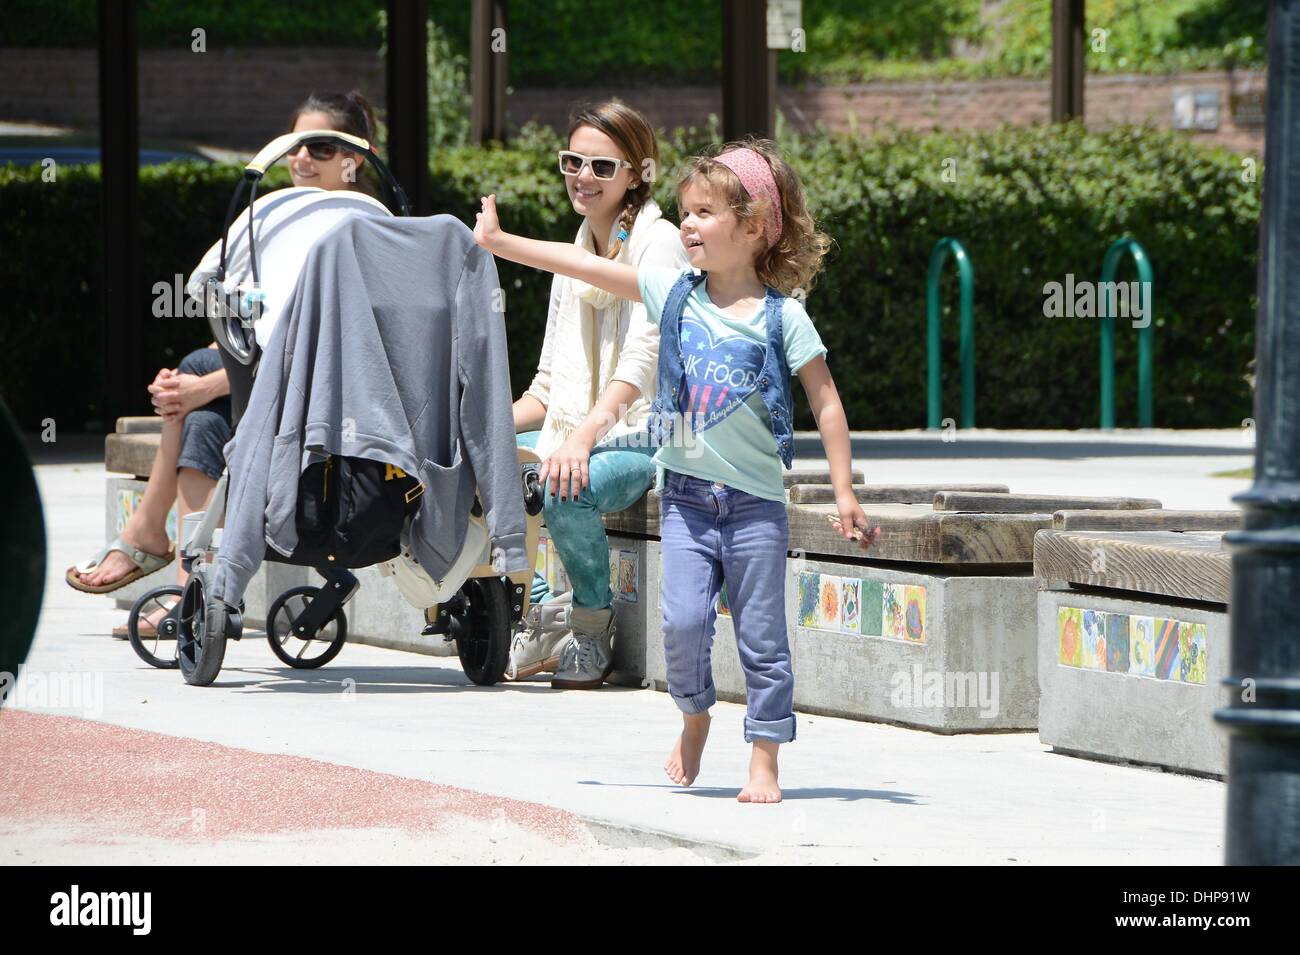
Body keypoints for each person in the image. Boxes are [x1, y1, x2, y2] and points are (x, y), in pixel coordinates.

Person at [474, 138, 880, 803]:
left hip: (754, 509)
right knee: (683, 627)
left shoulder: (785, 318)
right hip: (687, 502)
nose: (687, 224)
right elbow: (583, 265)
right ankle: (694, 717)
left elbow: (826, 401)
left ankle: (764, 760)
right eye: (686, 211)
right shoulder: (675, 295)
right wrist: (500, 241)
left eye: (705, 213)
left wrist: (843, 490)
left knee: (762, 637)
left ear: (754, 227)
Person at [67, 90, 379, 637]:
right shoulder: (283, 224)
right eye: (292, 146)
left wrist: (199, 385)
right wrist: (200, 381)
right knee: (203, 395)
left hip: (329, 407)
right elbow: (258, 325)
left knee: (201, 395)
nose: (301, 160)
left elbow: (316, 349)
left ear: (357, 157)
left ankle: (169, 560)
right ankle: (182, 573)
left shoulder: (361, 227)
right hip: (276, 396)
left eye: (321, 148)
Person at [507, 102, 689, 689]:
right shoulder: (575, 254)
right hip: (579, 433)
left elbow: (642, 363)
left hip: (646, 440)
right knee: (486, 459)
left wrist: (581, 439)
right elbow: (547, 386)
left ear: (638, 174)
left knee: (567, 482)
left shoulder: (659, 244)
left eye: (601, 167)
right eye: (572, 162)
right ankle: (537, 611)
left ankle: (590, 626)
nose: (582, 177)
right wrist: (487, 427)